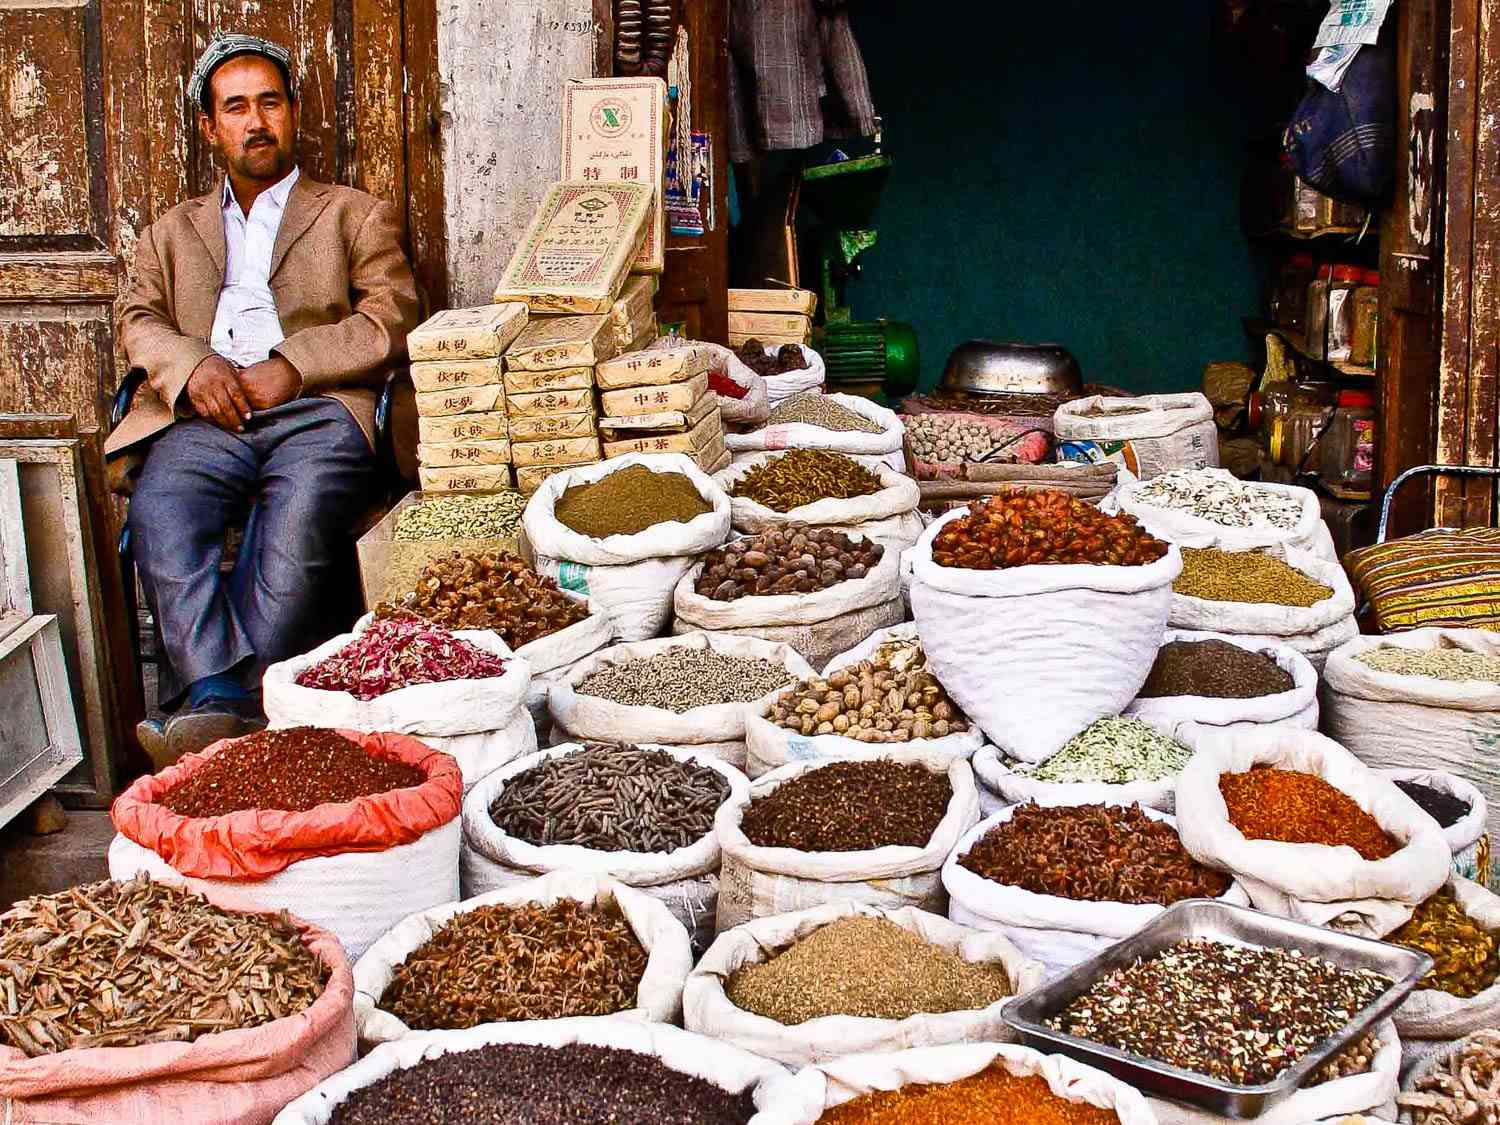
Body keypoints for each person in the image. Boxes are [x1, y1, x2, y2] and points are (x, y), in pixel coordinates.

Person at [105, 33, 421, 761]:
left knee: (299, 519)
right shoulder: (170, 232)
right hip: (206, 414)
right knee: (162, 511)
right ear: (211, 129)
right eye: (236, 108)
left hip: (317, 412)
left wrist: (293, 363)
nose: (256, 122)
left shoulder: (351, 214)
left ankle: (217, 702)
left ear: (292, 115)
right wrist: (193, 367)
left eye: (269, 103)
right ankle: (231, 699)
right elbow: (139, 318)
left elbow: (392, 315)